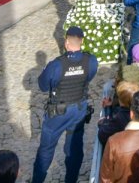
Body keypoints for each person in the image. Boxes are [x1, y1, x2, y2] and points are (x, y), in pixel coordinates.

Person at [32, 25, 98, 183]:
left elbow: (42, 85)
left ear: (66, 43)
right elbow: (88, 77)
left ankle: (37, 180)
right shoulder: (91, 61)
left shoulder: (56, 65)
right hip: (79, 109)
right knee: (74, 148)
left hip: (58, 113)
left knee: (46, 150)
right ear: (81, 42)